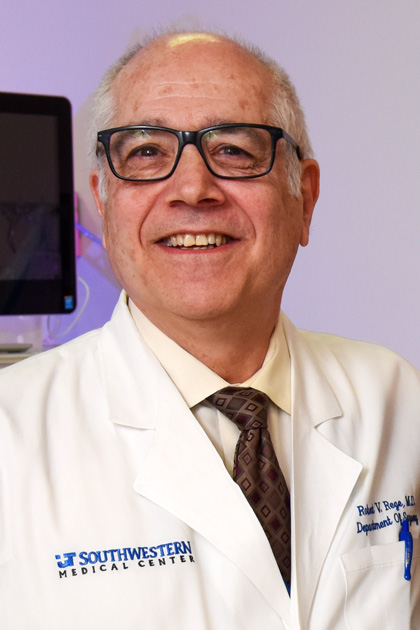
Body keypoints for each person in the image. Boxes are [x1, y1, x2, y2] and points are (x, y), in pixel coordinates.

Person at [0, 30, 419, 630]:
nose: (193, 188)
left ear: (304, 199)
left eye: (234, 150)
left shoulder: (396, 398)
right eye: (147, 151)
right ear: (104, 202)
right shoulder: (11, 436)